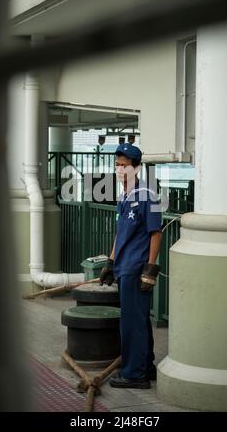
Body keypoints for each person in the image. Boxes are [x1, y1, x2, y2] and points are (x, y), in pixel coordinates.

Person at [100, 143, 162, 389]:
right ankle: (146, 366)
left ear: (136, 168)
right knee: (140, 320)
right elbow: (120, 232)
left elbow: (155, 233)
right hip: (124, 267)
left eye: (124, 166)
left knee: (132, 323)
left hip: (137, 269)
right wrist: (110, 261)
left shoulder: (149, 194)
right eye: (117, 165)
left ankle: (134, 375)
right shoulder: (125, 195)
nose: (119, 170)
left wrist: (150, 269)